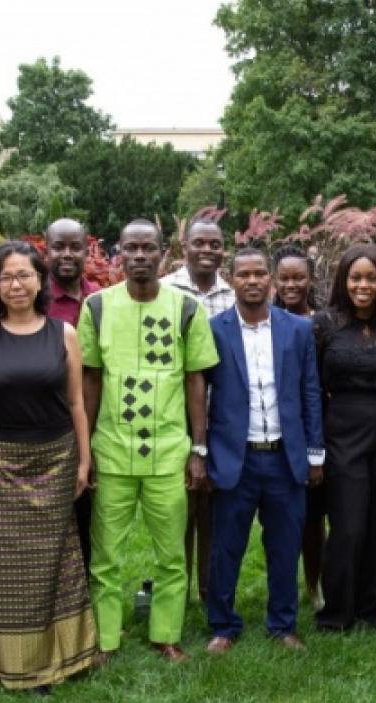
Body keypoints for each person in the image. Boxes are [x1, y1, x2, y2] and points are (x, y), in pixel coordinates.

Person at [0, 241, 98, 690]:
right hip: (1, 463)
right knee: (11, 569)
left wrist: (83, 459)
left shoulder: (64, 333)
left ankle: (69, 655)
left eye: (24, 275)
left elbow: (77, 402)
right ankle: (22, 663)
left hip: (57, 457)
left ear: (41, 280)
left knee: (59, 561)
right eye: (6, 276)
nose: (15, 284)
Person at [81, 220, 219, 662]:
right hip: (112, 449)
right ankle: (105, 638)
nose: (140, 256)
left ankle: (166, 633)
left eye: (149, 248)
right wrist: (87, 450)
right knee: (106, 555)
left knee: (171, 554)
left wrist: (198, 449)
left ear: (164, 253)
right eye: (131, 248)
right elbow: (90, 379)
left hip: (168, 452)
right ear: (118, 253)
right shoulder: (97, 307)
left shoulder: (186, 309)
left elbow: (196, 380)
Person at [203, 248, 325, 653]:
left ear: (270, 278)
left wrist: (314, 453)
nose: (252, 281)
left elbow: (310, 392)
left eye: (259, 274)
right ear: (231, 279)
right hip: (234, 456)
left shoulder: (297, 330)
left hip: (283, 456)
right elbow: (200, 393)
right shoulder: (213, 329)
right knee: (226, 546)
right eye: (244, 274)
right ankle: (223, 624)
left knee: (285, 544)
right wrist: (201, 450)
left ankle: (283, 623)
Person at [313, 243, 376, 632]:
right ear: (343, 280)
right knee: (348, 524)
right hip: (342, 430)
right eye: (356, 277)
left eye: (371, 277)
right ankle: (337, 612)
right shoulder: (324, 324)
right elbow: (313, 385)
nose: (363, 285)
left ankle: (373, 610)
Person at [163, 218, 234, 603]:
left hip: (220, 416)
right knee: (178, 508)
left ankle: (208, 588)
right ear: (183, 246)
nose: (207, 250)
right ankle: (178, 588)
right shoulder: (166, 291)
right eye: (199, 243)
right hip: (174, 416)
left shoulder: (233, 293)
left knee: (212, 508)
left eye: (216, 244)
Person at [271, 244, 327, 610]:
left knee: (314, 515)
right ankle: (282, 586)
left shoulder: (322, 322)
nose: (292, 285)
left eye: (299, 278)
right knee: (281, 520)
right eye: (285, 278)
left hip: (318, 425)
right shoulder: (263, 321)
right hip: (275, 430)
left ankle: (314, 584)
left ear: (310, 280)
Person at [45, 217, 101, 569]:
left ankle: (85, 610)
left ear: (87, 250)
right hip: (48, 425)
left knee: (88, 522)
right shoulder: (35, 302)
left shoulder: (102, 300)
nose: (67, 254)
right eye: (58, 246)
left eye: (74, 247)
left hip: (97, 422)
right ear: (45, 250)